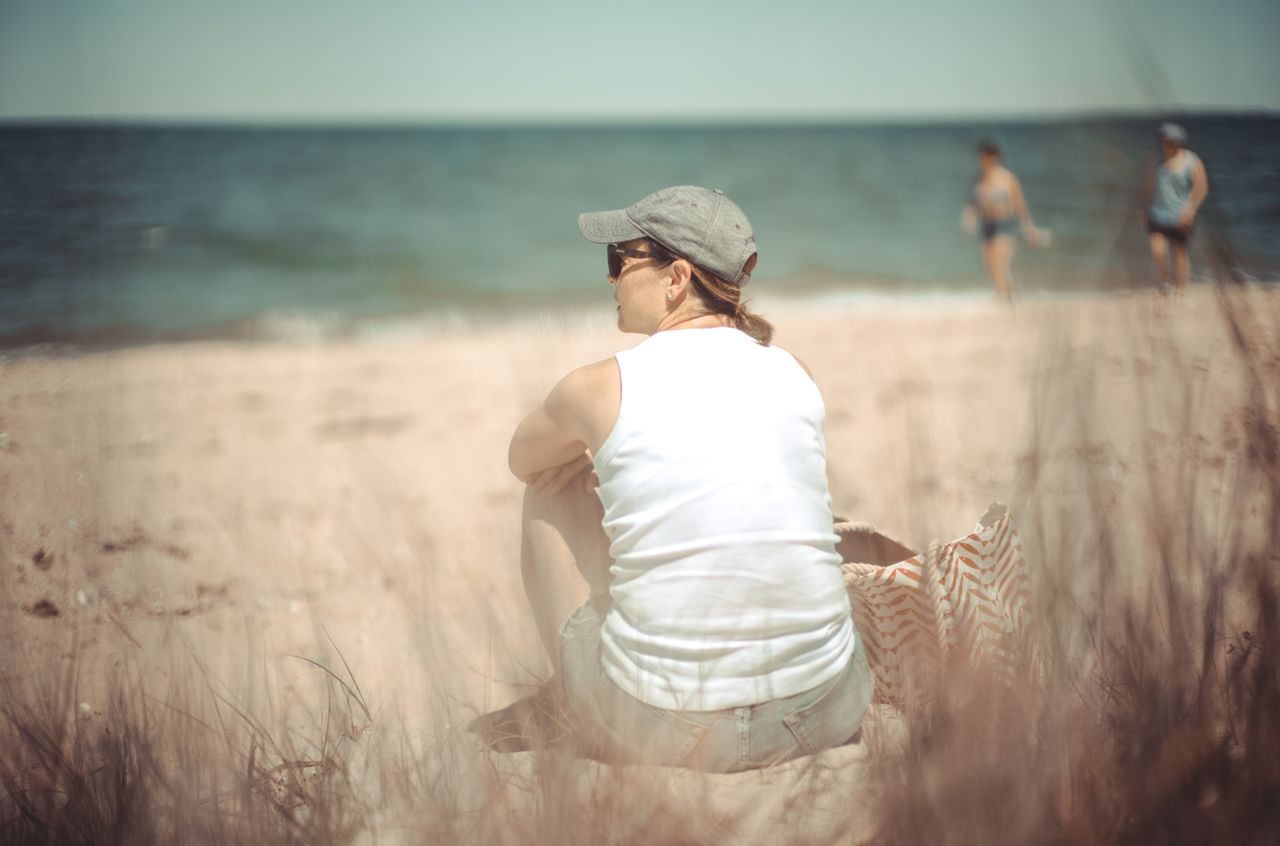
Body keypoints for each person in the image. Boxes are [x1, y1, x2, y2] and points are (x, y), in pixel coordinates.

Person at [505, 185, 873, 773]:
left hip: (668, 732)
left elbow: (523, 459)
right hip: (826, 710)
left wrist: (590, 450)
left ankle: (576, 690)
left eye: (618, 260)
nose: (610, 280)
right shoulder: (793, 372)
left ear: (675, 277)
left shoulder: (599, 386)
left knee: (550, 484)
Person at [961, 140, 1047, 302]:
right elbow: (971, 204)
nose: (982, 162)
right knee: (990, 268)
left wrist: (1029, 228)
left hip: (1004, 226)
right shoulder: (977, 180)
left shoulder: (1007, 178)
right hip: (987, 227)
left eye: (985, 159)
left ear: (994, 158)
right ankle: (1012, 294)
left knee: (1000, 266)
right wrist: (968, 220)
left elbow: (1019, 204)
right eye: (980, 159)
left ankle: (1002, 300)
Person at [1143, 123, 1209, 292]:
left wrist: (1190, 210)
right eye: (1162, 141)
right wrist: (1144, 209)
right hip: (1157, 213)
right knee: (1157, 250)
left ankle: (1181, 289)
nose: (1164, 145)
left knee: (1179, 254)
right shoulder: (1157, 161)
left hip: (1181, 215)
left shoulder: (1191, 160)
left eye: (1168, 141)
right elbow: (1148, 187)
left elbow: (1201, 187)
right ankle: (1166, 283)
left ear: (1177, 142)